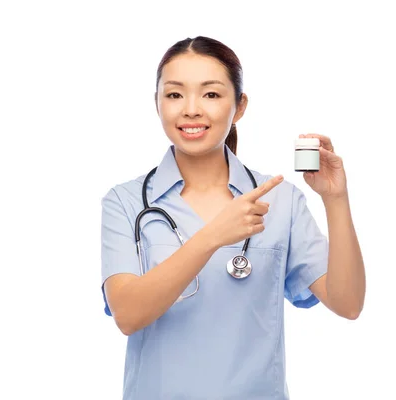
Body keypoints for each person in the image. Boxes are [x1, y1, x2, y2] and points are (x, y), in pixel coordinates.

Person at [100, 36, 366, 399]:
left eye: (210, 94)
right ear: (157, 103)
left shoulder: (281, 200)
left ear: (239, 107)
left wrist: (336, 199)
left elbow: (348, 303)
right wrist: (212, 236)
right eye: (175, 94)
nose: (191, 109)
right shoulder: (126, 202)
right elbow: (127, 315)